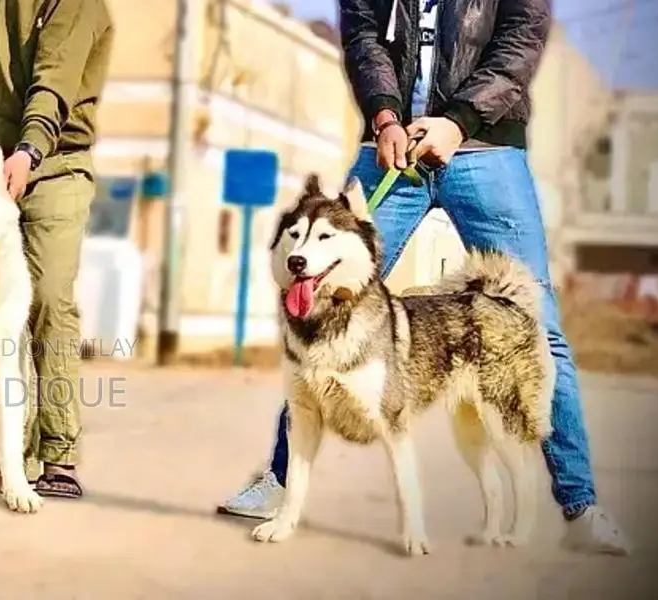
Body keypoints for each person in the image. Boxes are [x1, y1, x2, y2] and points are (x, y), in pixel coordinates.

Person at [217, 0, 632, 556]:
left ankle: (581, 506)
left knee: (538, 325)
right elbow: (364, 34)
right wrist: (385, 116)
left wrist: (458, 120)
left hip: (485, 148)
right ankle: (281, 482)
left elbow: (521, 39)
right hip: (388, 150)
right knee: (315, 303)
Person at [0, 0, 115, 499]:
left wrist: (26, 153)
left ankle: (58, 454)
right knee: (2, 312)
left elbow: (52, 85)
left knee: (48, 299)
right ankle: (14, 458)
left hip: (55, 165)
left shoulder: (79, 6)